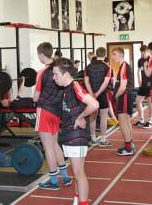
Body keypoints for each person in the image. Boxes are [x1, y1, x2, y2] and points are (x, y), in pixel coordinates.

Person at [52, 58, 99, 205]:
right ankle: (77, 199)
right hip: (70, 134)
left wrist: (80, 116)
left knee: (79, 174)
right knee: (77, 173)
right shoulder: (66, 89)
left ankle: (82, 202)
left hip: (76, 136)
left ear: (65, 74)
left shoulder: (75, 86)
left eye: (56, 74)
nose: (54, 78)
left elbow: (94, 104)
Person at [33, 42, 72, 190]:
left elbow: (36, 97)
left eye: (38, 54)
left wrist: (33, 97)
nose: (38, 57)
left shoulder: (42, 72)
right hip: (57, 112)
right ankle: (66, 177)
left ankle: (54, 180)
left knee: (47, 146)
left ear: (42, 54)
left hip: (45, 110)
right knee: (55, 144)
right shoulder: (59, 68)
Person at [83, 47, 113, 147]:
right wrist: (98, 93)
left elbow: (86, 82)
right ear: (105, 55)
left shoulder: (88, 66)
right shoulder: (107, 67)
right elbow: (106, 82)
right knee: (103, 117)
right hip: (103, 94)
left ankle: (93, 139)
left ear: (96, 54)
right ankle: (103, 140)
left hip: (91, 95)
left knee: (92, 117)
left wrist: (92, 93)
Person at [111, 48, 134, 155]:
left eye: (114, 54)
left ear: (121, 55)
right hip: (126, 96)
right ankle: (130, 145)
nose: (113, 56)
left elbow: (123, 87)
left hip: (124, 96)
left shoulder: (124, 66)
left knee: (123, 123)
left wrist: (115, 96)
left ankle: (128, 148)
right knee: (127, 122)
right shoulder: (123, 66)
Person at [135, 45, 152, 128]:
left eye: (144, 52)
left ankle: (150, 121)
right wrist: (139, 81)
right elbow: (138, 71)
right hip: (143, 84)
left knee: (150, 102)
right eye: (141, 52)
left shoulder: (151, 60)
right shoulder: (140, 60)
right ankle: (141, 120)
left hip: (150, 84)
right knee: (138, 101)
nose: (142, 54)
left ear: (147, 51)